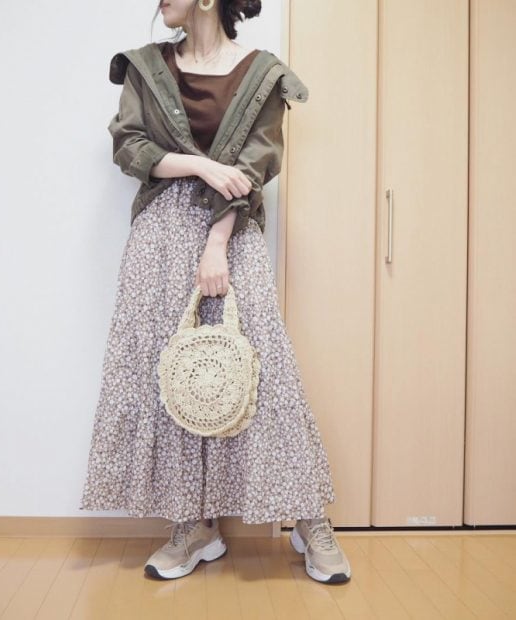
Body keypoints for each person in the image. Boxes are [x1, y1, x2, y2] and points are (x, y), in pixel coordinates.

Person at [79, 0, 352, 584]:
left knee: (263, 374)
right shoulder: (146, 66)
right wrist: (200, 167)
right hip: (158, 237)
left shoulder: (263, 73)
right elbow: (129, 146)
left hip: (229, 231)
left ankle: (309, 519)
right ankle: (193, 525)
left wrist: (217, 243)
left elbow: (255, 166)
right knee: (171, 379)